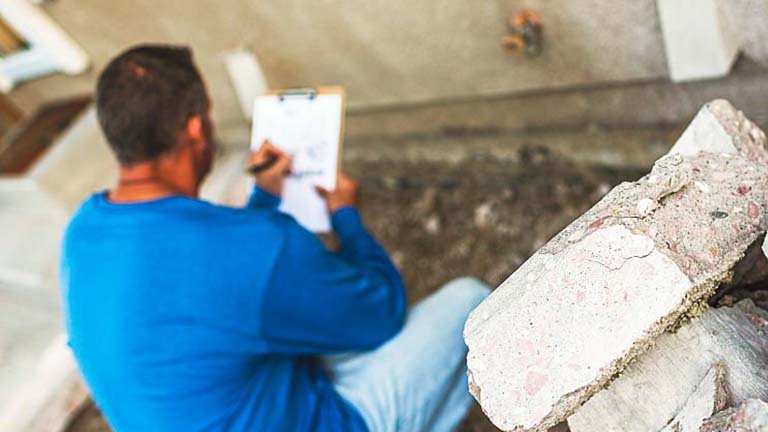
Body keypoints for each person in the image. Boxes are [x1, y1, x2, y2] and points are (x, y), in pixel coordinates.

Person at [61, 44, 491, 432]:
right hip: (324, 418)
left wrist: (264, 198)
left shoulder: (82, 234)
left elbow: (207, 287)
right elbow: (381, 314)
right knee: (471, 304)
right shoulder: (257, 249)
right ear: (196, 130)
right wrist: (346, 216)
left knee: (301, 319)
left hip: (215, 404)